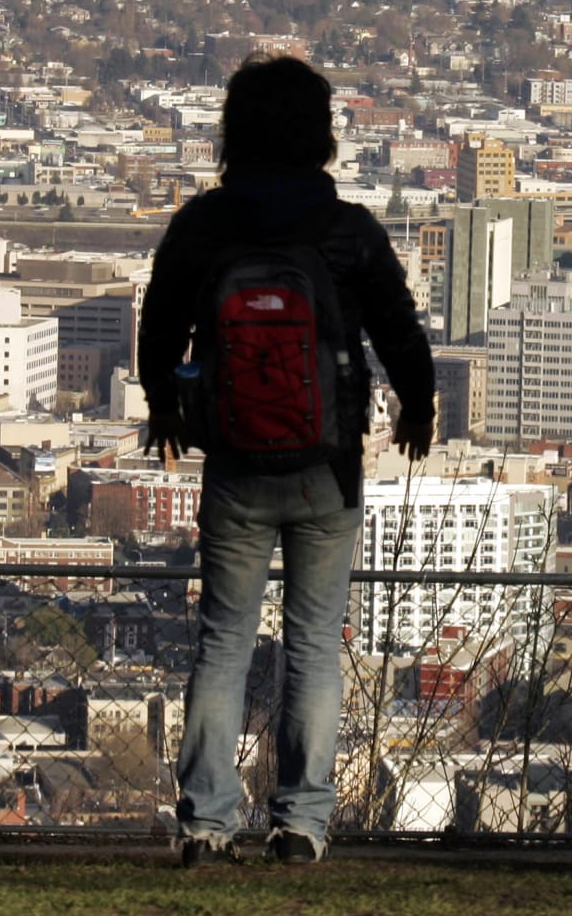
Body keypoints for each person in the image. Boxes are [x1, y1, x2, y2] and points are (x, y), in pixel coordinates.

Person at [140, 55, 436, 868]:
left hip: (235, 462)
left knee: (224, 639)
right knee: (312, 642)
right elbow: (401, 330)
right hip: (326, 465)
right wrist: (419, 405)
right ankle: (302, 819)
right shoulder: (347, 230)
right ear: (320, 131)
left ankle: (207, 818)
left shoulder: (205, 226)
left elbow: (160, 324)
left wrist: (165, 405)